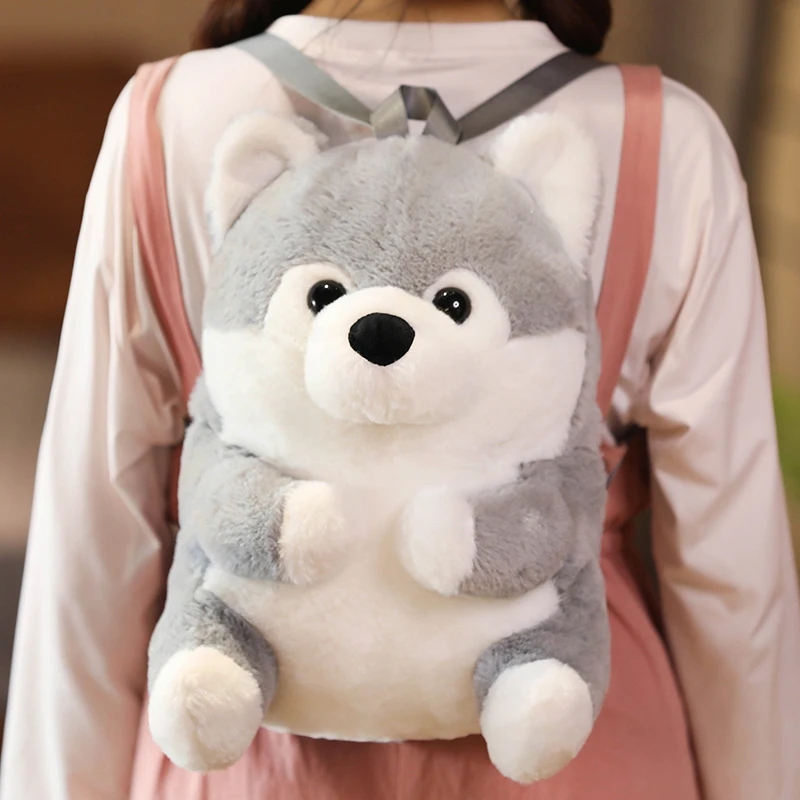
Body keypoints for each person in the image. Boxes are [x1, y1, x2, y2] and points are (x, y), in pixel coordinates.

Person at [2, 0, 800, 798]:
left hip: (244, 753)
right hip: (579, 751)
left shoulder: (174, 116)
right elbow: (733, 581)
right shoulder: (666, 138)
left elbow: (94, 541)